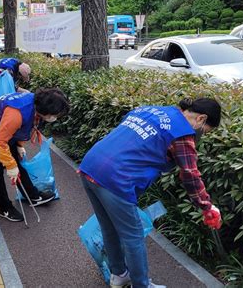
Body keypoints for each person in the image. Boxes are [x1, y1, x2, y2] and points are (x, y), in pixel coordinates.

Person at [78, 98, 223, 288]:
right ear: (201, 119)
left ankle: (119, 274)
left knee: (109, 228)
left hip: (90, 165)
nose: (201, 134)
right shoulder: (183, 133)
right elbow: (190, 174)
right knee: (134, 236)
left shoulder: (152, 110)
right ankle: (141, 285)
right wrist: (207, 206)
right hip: (115, 177)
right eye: (204, 131)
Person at [0, 88, 69, 222]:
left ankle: (32, 195)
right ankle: (4, 208)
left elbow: (21, 127)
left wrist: (18, 146)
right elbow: (0, 141)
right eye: (54, 114)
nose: (55, 118)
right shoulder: (16, 113)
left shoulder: (35, 103)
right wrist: (10, 165)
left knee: (18, 164)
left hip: (2, 128)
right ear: (45, 110)